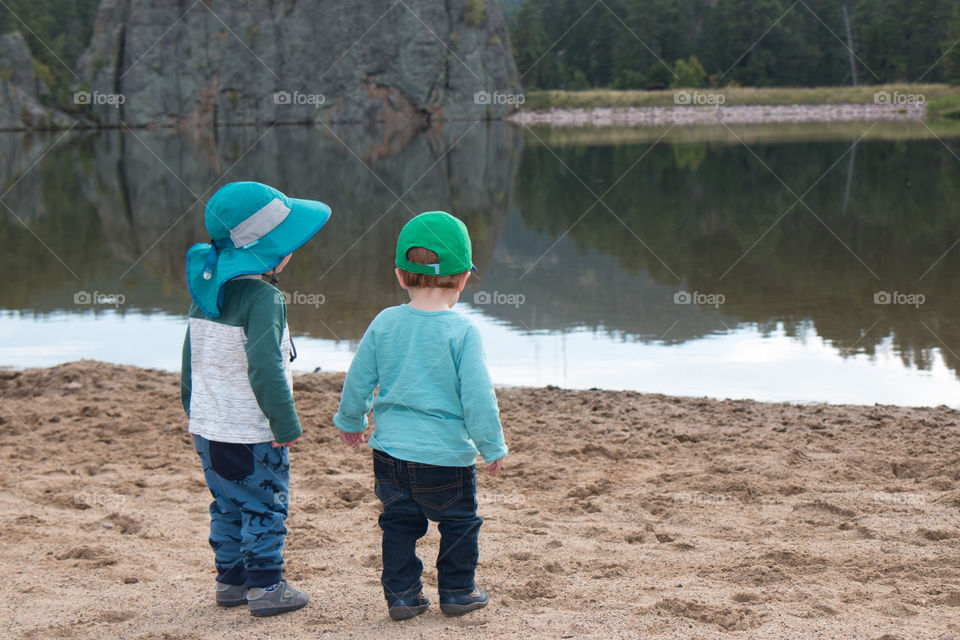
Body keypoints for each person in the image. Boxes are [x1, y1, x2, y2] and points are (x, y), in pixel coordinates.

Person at [334, 211, 508, 621]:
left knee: (397, 526)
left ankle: (402, 596)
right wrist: (491, 445)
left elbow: (359, 379)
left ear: (400, 274)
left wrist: (352, 421)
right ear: (464, 278)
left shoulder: (385, 322)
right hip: (445, 458)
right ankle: (457, 591)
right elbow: (478, 398)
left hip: (390, 455)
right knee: (460, 523)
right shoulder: (463, 332)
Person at [180, 181, 330, 616]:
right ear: (270, 252)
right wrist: (285, 424)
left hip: (208, 429)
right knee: (265, 505)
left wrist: (195, 411)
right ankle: (266, 587)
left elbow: (189, 361)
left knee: (227, 504)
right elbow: (265, 367)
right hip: (250, 431)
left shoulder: (207, 294)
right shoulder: (264, 298)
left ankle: (230, 583)